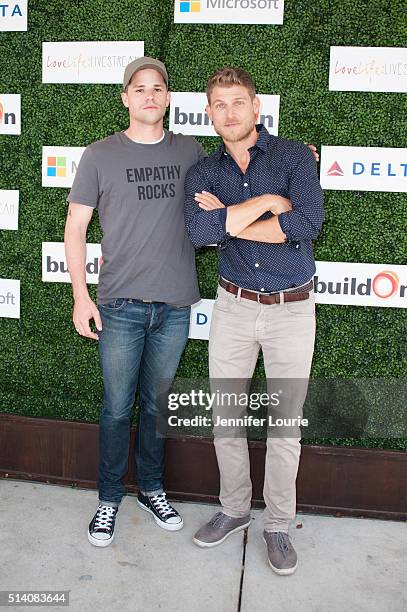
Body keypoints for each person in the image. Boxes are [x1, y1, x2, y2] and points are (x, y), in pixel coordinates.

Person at [184, 67, 324, 575]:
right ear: (209, 112)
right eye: (219, 104)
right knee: (227, 419)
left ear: (257, 107)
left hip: (292, 310)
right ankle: (235, 510)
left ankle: (279, 525)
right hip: (233, 308)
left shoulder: (292, 157)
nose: (229, 112)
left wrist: (232, 217)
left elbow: (307, 224)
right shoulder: (203, 171)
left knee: (285, 426)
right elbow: (201, 232)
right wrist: (266, 203)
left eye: (238, 102)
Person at [64, 57, 206, 546]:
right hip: (119, 305)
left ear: (168, 97)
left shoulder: (191, 151)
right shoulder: (100, 155)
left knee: (156, 407)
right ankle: (108, 500)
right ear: (125, 98)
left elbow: (237, 179)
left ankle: (150, 488)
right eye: (139, 88)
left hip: (175, 306)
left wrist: (293, 156)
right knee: (116, 408)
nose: (149, 95)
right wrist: (81, 297)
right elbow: (76, 228)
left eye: (158, 87)